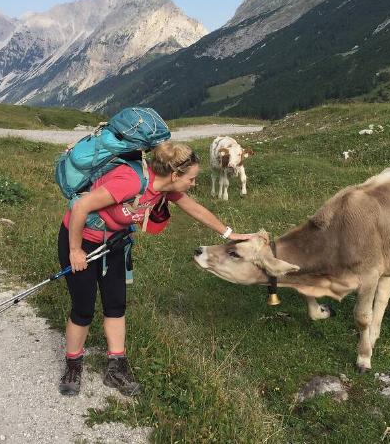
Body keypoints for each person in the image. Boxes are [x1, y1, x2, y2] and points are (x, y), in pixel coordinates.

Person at [58, 141, 255, 397]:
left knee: (116, 305)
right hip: (81, 240)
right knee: (83, 308)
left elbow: (194, 208)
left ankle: (116, 368)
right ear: (175, 175)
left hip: (113, 243)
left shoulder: (165, 188)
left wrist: (231, 233)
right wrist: (75, 250)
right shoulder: (131, 181)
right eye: (192, 179)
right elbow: (81, 207)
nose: (194, 183)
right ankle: (73, 366)